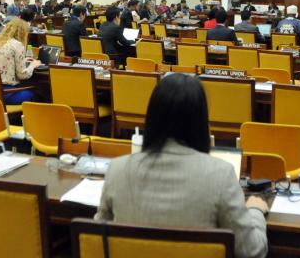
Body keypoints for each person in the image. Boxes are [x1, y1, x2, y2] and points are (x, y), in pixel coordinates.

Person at [96, 73, 268, 258]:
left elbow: (96, 240)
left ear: (151, 118)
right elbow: (252, 251)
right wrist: (255, 211)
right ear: (202, 122)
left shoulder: (117, 170)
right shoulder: (221, 175)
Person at [0, 18, 41, 105]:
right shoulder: (17, 45)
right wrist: (33, 65)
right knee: (40, 93)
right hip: (6, 93)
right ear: (23, 32)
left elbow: (5, 59)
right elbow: (22, 75)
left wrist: (23, 60)